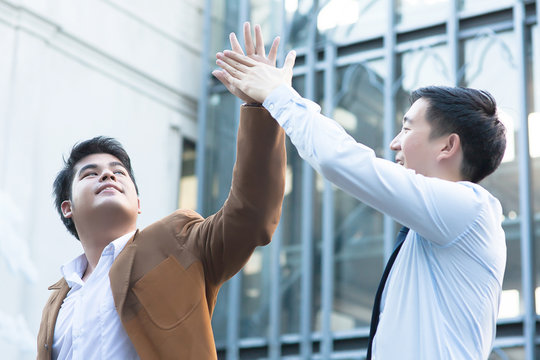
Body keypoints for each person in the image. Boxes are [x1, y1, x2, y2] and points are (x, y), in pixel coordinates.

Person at [214, 27, 507, 359]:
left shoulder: (470, 209)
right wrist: (266, 102)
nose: (395, 142)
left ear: (447, 145)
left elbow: (341, 160)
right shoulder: (433, 228)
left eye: (408, 128)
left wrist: (279, 95)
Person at [36, 24, 286, 360]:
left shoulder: (177, 243)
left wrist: (260, 105)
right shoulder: (58, 301)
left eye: (118, 172)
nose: (107, 175)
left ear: (138, 203)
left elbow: (251, 214)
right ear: (68, 208)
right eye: (90, 174)